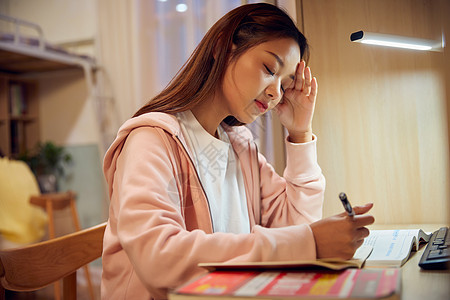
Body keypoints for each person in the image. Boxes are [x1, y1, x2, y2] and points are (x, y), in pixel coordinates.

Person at [101, 3, 374, 299]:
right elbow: (159, 258)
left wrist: (299, 133)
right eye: (270, 69)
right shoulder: (151, 140)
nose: (276, 93)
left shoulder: (239, 146)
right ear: (222, 46)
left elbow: (298, 224)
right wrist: (309, 243)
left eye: (285, 84)